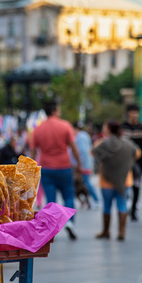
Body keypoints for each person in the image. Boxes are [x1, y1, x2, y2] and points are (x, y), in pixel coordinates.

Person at [29, 101, 82, 240]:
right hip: (64, 167)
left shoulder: (38, 129)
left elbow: (33, 152)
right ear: (54, 111)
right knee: (69, 196)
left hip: (46, 167)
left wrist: (31, 168)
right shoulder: (65, 126)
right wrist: (79, 164)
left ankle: (52, 229)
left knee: (51, 200)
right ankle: (70, 222)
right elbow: (74, 148)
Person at [93, 121, 141, 241]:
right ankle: (121, 232)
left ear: (108, 129)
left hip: (106, 181)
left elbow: (94, 152)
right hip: (125, 180)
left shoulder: (104, 143)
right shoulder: (128, 143)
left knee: (107, 206)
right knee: (122, 205)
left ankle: (106, 231)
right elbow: (137, 153)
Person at [121, 104, 142, 221]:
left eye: (136, 112)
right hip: (124, 162)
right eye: (132, 112)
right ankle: (123, 208)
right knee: (124, 185)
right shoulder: (122, 128)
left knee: (136, 186)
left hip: (139, 163)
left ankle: (133, 210)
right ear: (128, 113)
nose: (134, 115)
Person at [72, 122, 99, 208]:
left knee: (86, 183)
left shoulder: (80, 137)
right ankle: (93, 200)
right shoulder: (84, 135)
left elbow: (82, 151)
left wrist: (78, 164)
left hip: (84, 164)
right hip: (86, 163)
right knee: (85, 182)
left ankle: (96, 200)